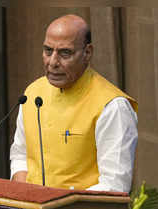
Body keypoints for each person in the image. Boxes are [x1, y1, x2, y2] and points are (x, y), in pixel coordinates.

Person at [9, 14, 138, 192]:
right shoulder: (32, 93)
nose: (53, 62)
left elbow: (114, 185)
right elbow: (20, 155)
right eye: (48, 51)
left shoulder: (112, 106)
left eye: (65, 53)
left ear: (87, 53)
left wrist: (59, 206)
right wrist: (24, 192)